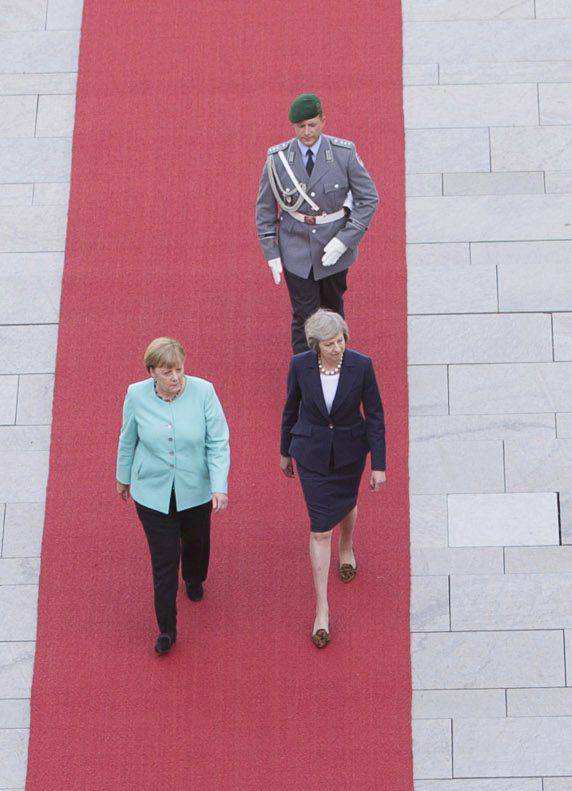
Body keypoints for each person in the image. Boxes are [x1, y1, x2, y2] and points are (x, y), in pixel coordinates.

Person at [116, 337, 230, 657]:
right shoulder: (136, 395)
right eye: (167, 372)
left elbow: (218, 441)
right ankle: (167, 629)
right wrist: (123, 478)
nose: (176, 377)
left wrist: (218, 485)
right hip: (152, 494)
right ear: (152, 371)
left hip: (195, 490)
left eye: (179, 369)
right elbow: (128, 440)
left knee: (197, 544)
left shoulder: (204, 392)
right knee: (164, 562)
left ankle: (194, 578)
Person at [280, 311, 386, 648]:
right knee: (319, 526)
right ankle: (322, 609)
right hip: (311, 453)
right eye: (329, 344)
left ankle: (347, 546)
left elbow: (376, 416)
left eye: (340, 340)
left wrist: (379, 465)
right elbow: (290, 407)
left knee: (347, 504)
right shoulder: (299, 366)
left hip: (349, 453)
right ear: (316, 346)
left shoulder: (362, 365)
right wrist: (284, 450)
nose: (337, 348)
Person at [256, 92, 380, 356]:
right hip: (296, 249)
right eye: (300, 126)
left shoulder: (343, 153)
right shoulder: (277, 160)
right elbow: (265, 208)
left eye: (312, 125)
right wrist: (272, 252)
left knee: (333, 309)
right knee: (304, 316)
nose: (306, 132)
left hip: (333, 247)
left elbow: (368, 198)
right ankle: (305, 376)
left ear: (323, 121)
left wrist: (345, 239)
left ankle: (336, 364)